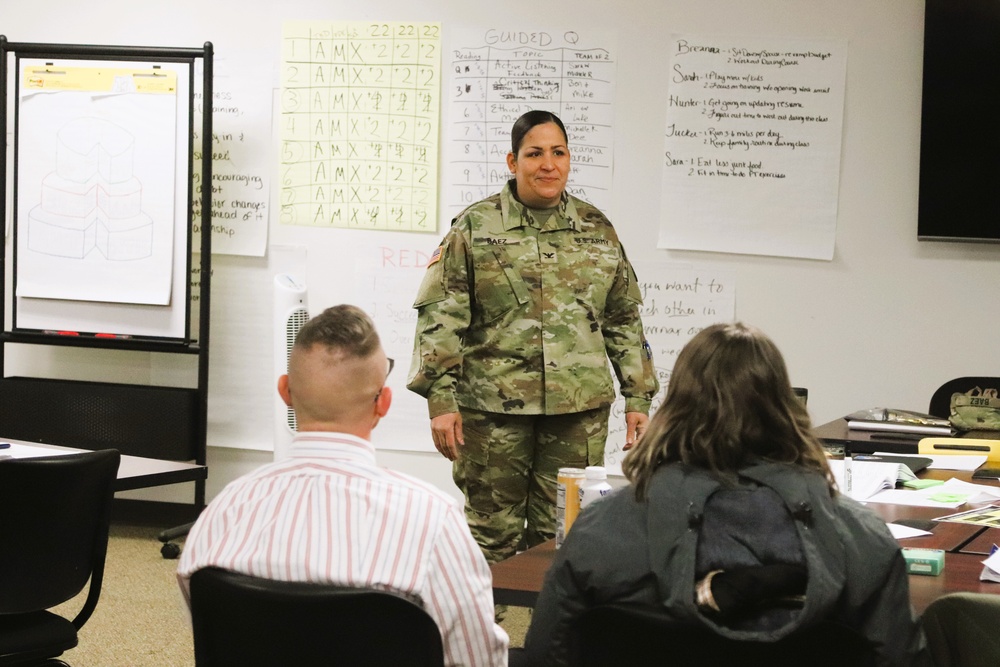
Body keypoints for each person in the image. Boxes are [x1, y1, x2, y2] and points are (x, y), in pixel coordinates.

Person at [520, 322, 927, 666]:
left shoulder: (600, 529)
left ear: (674, 407)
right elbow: (900, 657)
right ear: (786, 408)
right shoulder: (861, 537)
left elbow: (546, 654)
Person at [177, 305, 509, 667]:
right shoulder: (433, 520)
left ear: (285, 391)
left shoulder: (224, 513)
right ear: (383, 403)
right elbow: (478, 659)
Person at [407, 110, 658, 564]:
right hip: (492, 411)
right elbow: (441, 318)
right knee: (491, 535)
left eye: (558, 153)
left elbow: (623, 317)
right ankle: (486, 632)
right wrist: (440, 402)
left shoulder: (597, 229)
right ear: (512, 161)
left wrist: (638, 398)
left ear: (569, 160)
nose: (548, 164)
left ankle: (545, 634)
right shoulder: (474, 228)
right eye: (535, 153)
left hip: (576, 411)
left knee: (564, 537)